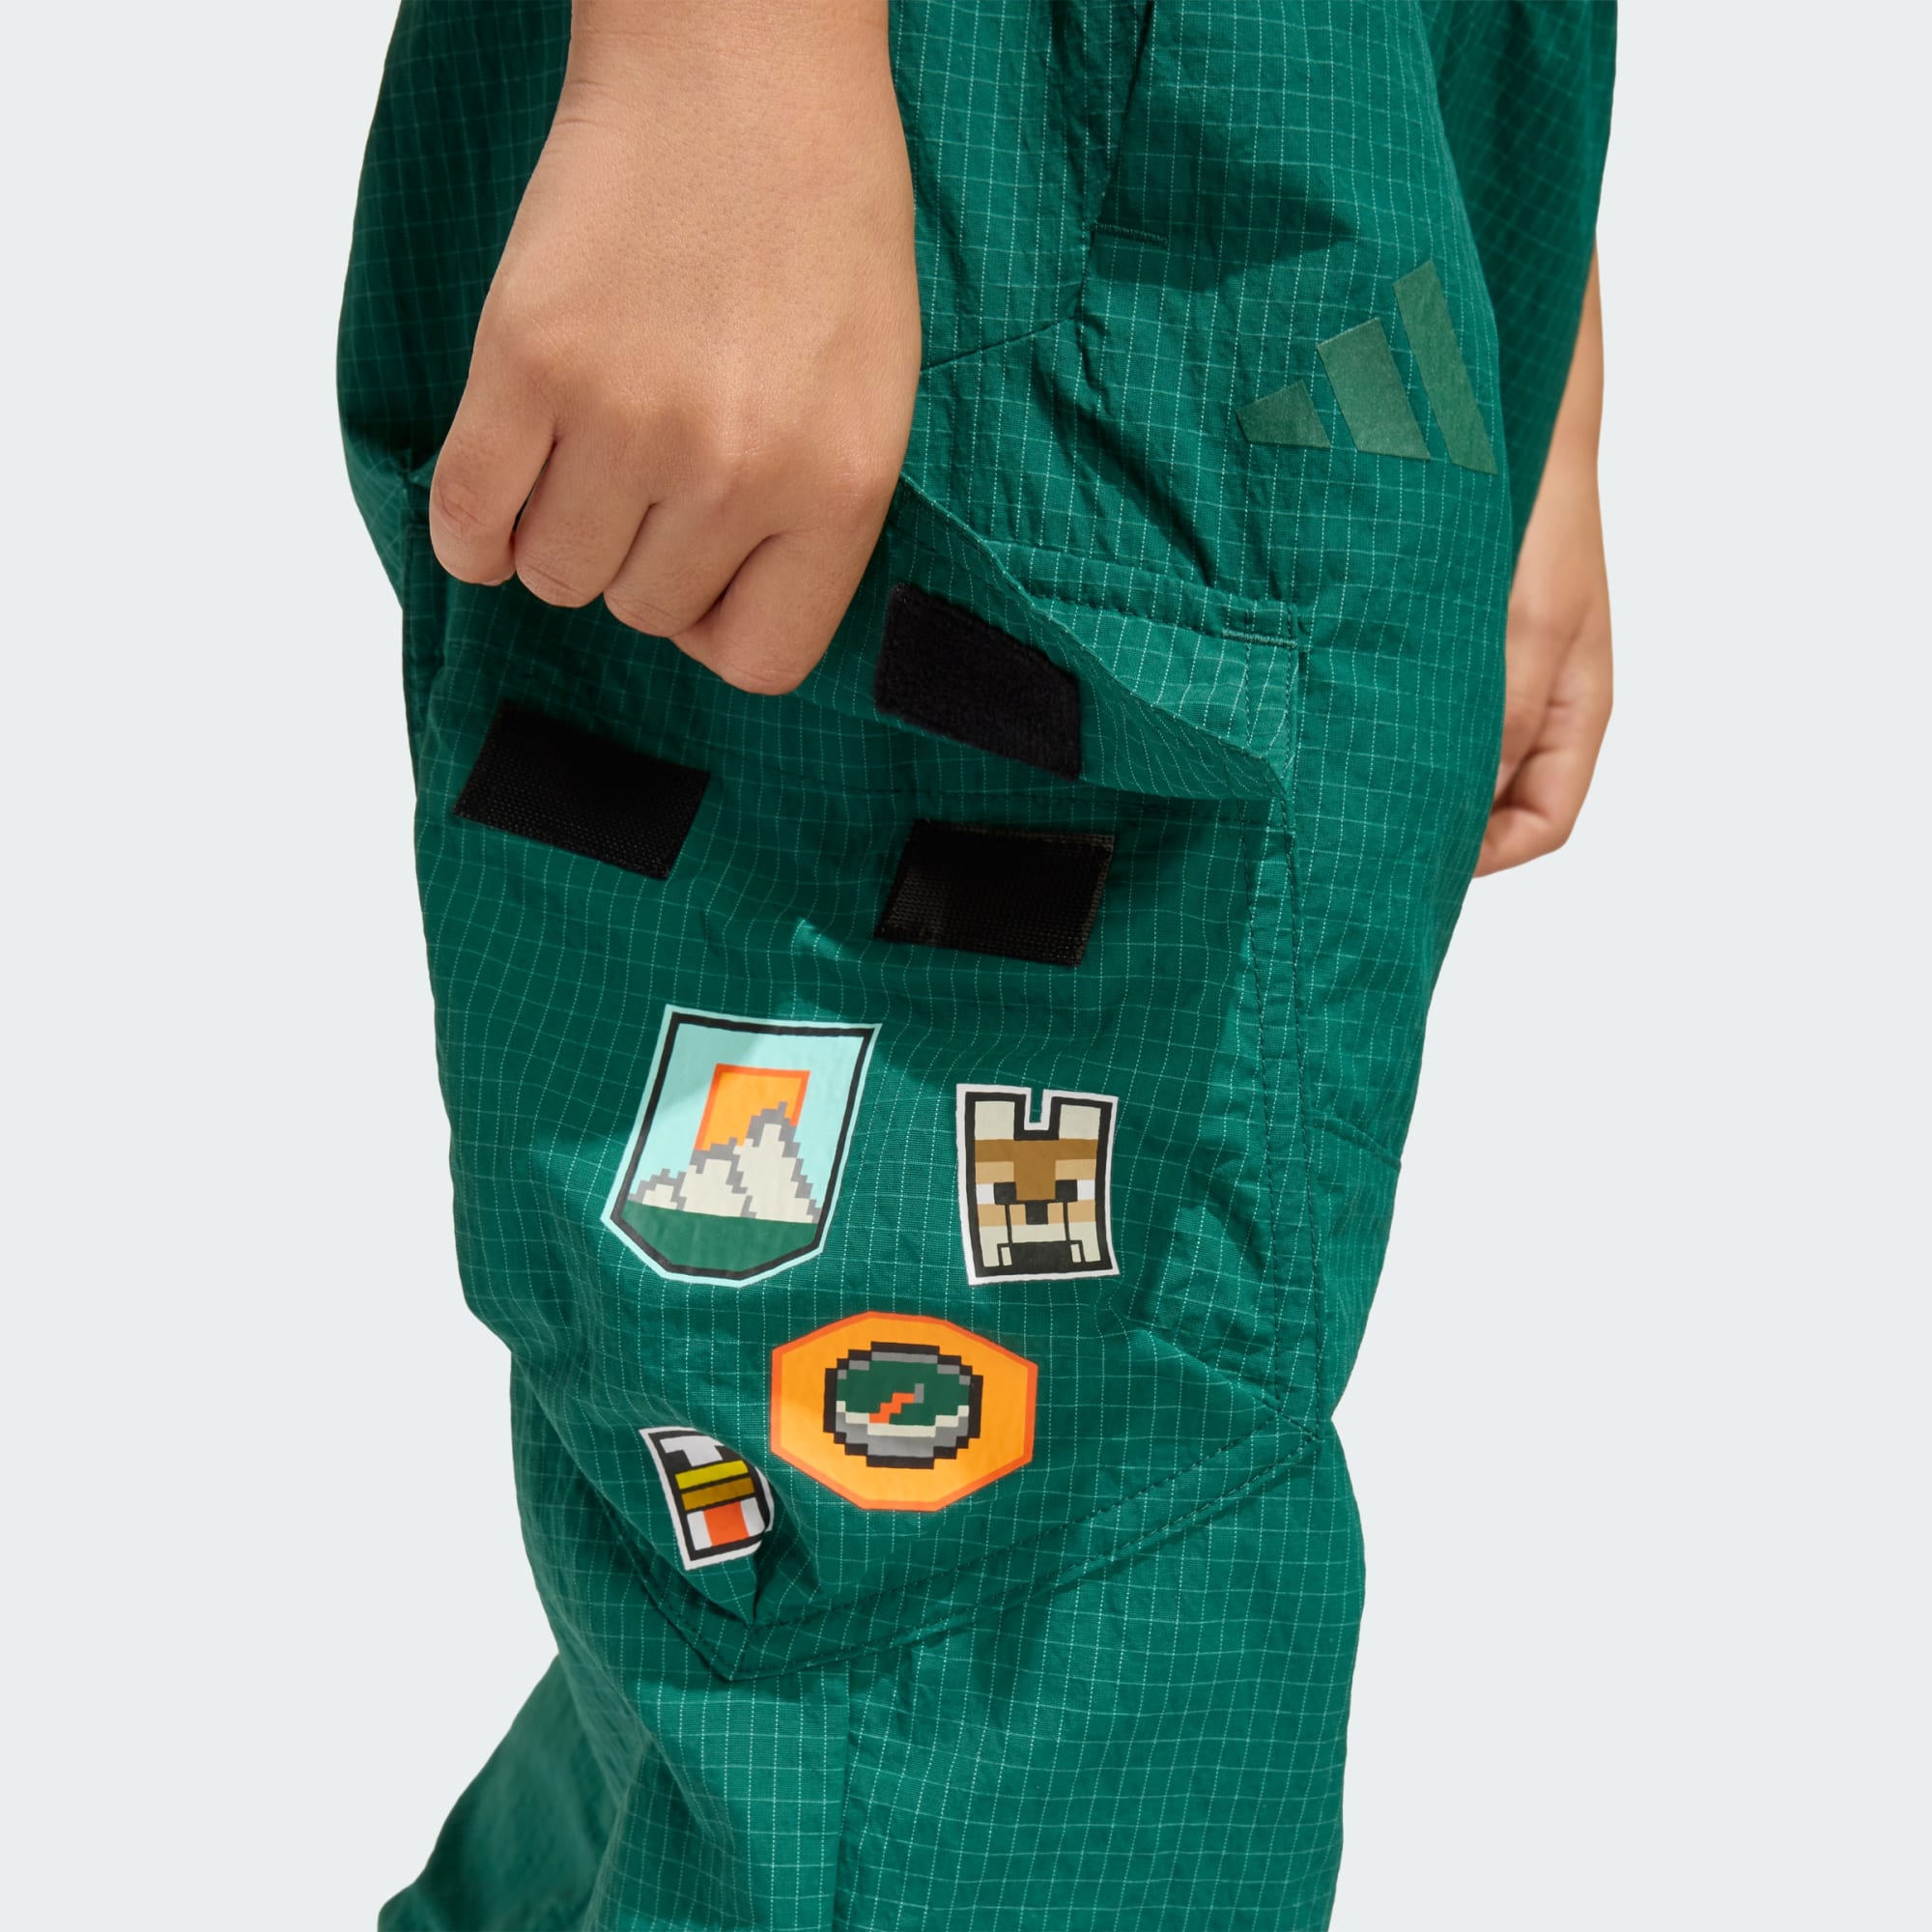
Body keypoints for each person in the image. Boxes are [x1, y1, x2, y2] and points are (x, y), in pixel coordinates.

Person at [338, 1, 1615, 1924]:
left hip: (1319, 144)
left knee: (880, 1613)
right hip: (984, 126)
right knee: (937, 1603)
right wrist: (725, 54)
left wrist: (1504, 268)